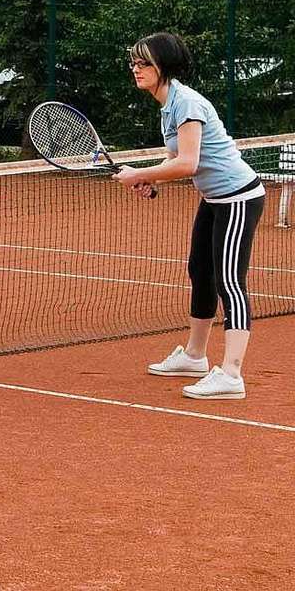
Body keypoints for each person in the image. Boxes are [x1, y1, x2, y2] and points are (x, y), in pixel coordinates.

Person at [114, 33, 265, 399]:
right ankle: (195, 356)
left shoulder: (186, 103)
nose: (136, 69)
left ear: (164, 66)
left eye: (144, 63)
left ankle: (231, 375)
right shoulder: (168, 104)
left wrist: (140, 174)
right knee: (201, 271)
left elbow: (189, 162)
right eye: (133, 62)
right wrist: (149, 179)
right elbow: (176, 161)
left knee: (230, 282)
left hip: (238, 199)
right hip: (214, 198)